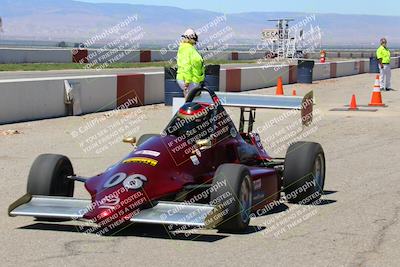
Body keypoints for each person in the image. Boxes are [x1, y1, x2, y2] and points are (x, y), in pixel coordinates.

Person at [176, 28, 205, 97]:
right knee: (191, 101)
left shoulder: (189, 48)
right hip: (189, 81)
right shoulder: (186, 49)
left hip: (193, 80)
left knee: (192, 100)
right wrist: (187, 81)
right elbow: (186, 65)